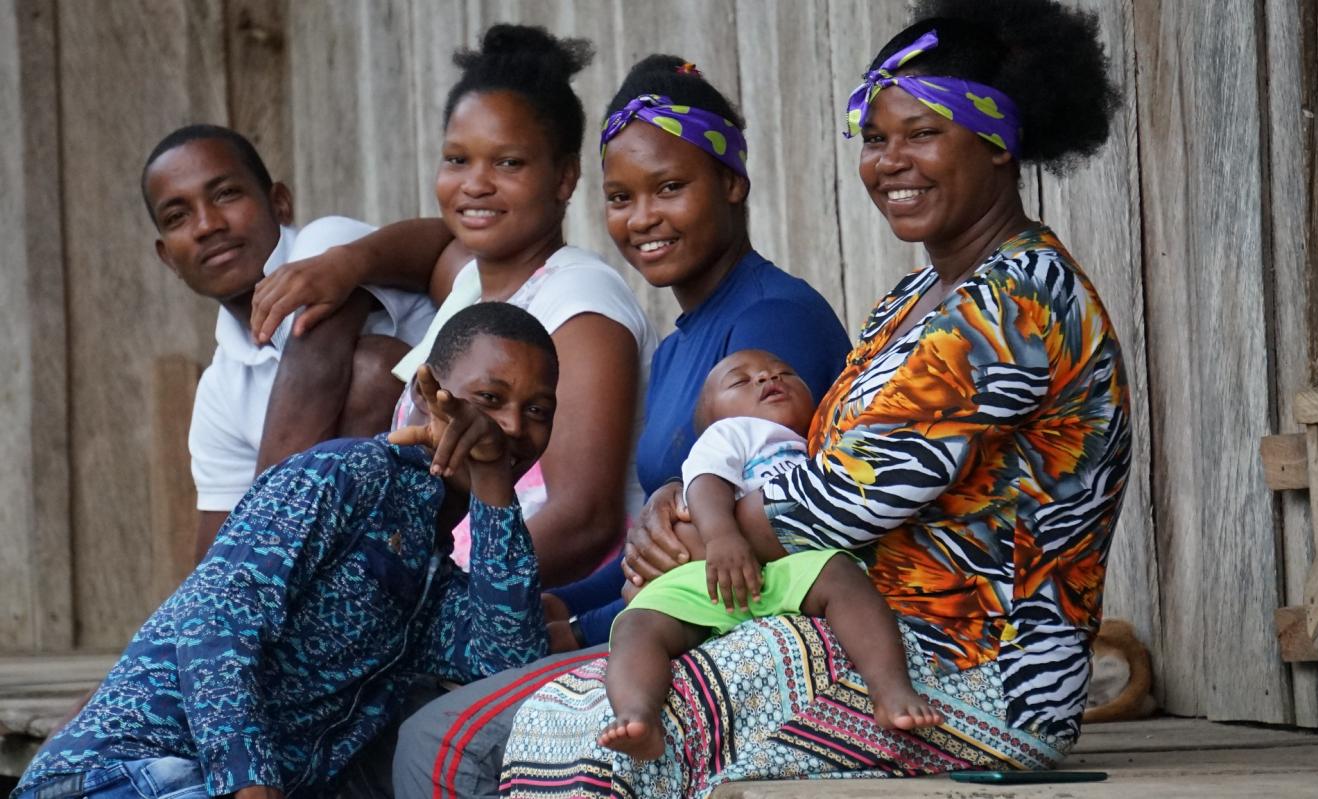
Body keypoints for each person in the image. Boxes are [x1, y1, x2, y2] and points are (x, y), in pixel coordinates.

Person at [500, 0, 1132, 794]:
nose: (890, 161)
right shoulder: (912, 301)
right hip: (862, 631)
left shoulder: (1014, 305)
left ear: (999, 143)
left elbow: (839, 501)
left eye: (923, 133)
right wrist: (685, 497)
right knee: (564, 718)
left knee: (590, 737)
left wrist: (704, 514)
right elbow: (800, 462)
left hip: (974, 679)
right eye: (875, 138)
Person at [390, 56, 852, 799]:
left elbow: (746, 530)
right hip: (669, 622)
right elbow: (655, 543)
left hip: (752, 630)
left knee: (438, 742)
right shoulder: (676, 348)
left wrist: (589, 618)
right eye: (621, 197)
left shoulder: (773, 319)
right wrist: (570, 608)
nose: (642, 218)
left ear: (731, 182)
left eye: (670, 187)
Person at [12, 302, 557, 799]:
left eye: (537, 410)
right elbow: (215, 621)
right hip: (132, 771)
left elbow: (505, 660)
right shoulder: (348, 474)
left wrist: (492, 483)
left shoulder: (434, 571)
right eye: (489, 399)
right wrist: (249, 782)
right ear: (427, 392)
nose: (510, 425)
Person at [247, 26, 656, 586]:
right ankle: (258, 561)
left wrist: (427, 602)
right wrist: (348, 263)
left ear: (564, 178)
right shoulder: (471, 284)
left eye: (508, 164)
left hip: (528, 605)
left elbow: (586, 523)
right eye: (457, 159)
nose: (475, 185)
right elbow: (434, 244)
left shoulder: (581, 302)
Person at [600, 349, 942, 761]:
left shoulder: (821, 441)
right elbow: (705, 485)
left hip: (783, 569)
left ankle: (890, 690)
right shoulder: (731, 433)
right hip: (711, 569)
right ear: (711, 416)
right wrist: (723, 537)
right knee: (637, 624)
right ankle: (637, 714)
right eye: (740, 381)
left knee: (841, 576)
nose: (766, 378)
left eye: (784, 372)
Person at [141, 124, 437, 560]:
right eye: (177, 217)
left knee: (372, 370)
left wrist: (255, 571)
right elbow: (216, 554)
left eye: (225, 194)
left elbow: (316, 366)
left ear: (280, 203)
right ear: (169, 258)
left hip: (470, 506)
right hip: (360, 567)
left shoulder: (326, 245)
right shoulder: (221, 389)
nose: (206, 225)